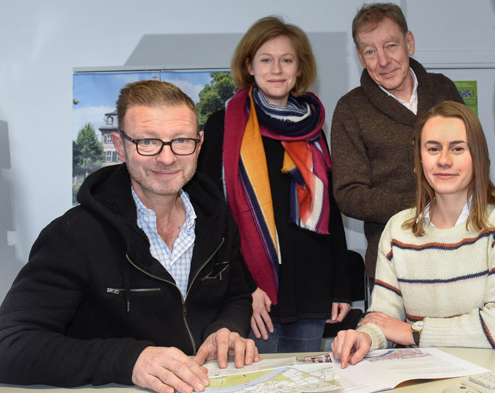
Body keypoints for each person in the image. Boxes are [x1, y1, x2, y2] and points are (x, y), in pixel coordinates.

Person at [0, 80, 257, 393]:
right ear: (120, 145)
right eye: (147, 142)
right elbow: (6, 348)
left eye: (181, 141)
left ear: (199, 142)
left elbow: (235, 295)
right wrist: (130, 360)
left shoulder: (217, 219)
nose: (167, 158)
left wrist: (227, 328)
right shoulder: (73, 236)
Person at [198, 16, 351, 353]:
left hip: (312, 286)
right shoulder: (224, 124)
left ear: (299, 68)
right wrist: (244, 288)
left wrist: (341, 287)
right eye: (266, 59)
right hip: (255, 295)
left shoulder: (312, 128)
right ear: (249, 65)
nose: (277, 69)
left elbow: (332, 211)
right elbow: (212, 215)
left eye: (287, 60)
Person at [331, 101, 495, 368]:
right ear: (419, 161)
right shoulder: (398, 230)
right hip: (422, 377)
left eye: (457, 148)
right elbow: (384, 317)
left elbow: (493, 326)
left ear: (477, 157)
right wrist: (364, 336)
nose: (444, 160)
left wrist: (412, 332)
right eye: (432, 149)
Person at [331, 3, 463, 281]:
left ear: (409, 42)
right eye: (370, 51)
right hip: (393, 262)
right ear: (360, 57)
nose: (383, 60)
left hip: (461, 249)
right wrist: (421, 204)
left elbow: (475, 156)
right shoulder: (350, 108)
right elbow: (348, 194)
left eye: (390, 45)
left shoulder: (443, 88)